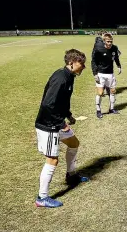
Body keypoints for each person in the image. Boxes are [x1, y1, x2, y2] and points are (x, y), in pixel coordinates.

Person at [34, 49, 89, 208]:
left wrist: (69, 116)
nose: (84, 67)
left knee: (74, 144)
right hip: (49, 125)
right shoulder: (60, 78)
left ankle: (71, 175)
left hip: (57, 122)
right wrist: (61, 123)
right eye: (81, 64)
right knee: (52, 159)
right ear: (71, 63)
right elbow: (48, 104)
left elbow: (62, 102)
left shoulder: (69, 76)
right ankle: (42, 197)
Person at [91, 33, 122, 118]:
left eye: (111, 41)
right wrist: (95, 73)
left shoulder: (114, 48)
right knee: (100, 93)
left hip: (110, 74)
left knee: (112, 92)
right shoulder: (98, 49)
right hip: (100, 74)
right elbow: (93, 61)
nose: (110, 43)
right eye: (108, 41)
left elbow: (116, 57)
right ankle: (98, 110)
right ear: (104, 41)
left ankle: (111, 109)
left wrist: (119, 66)